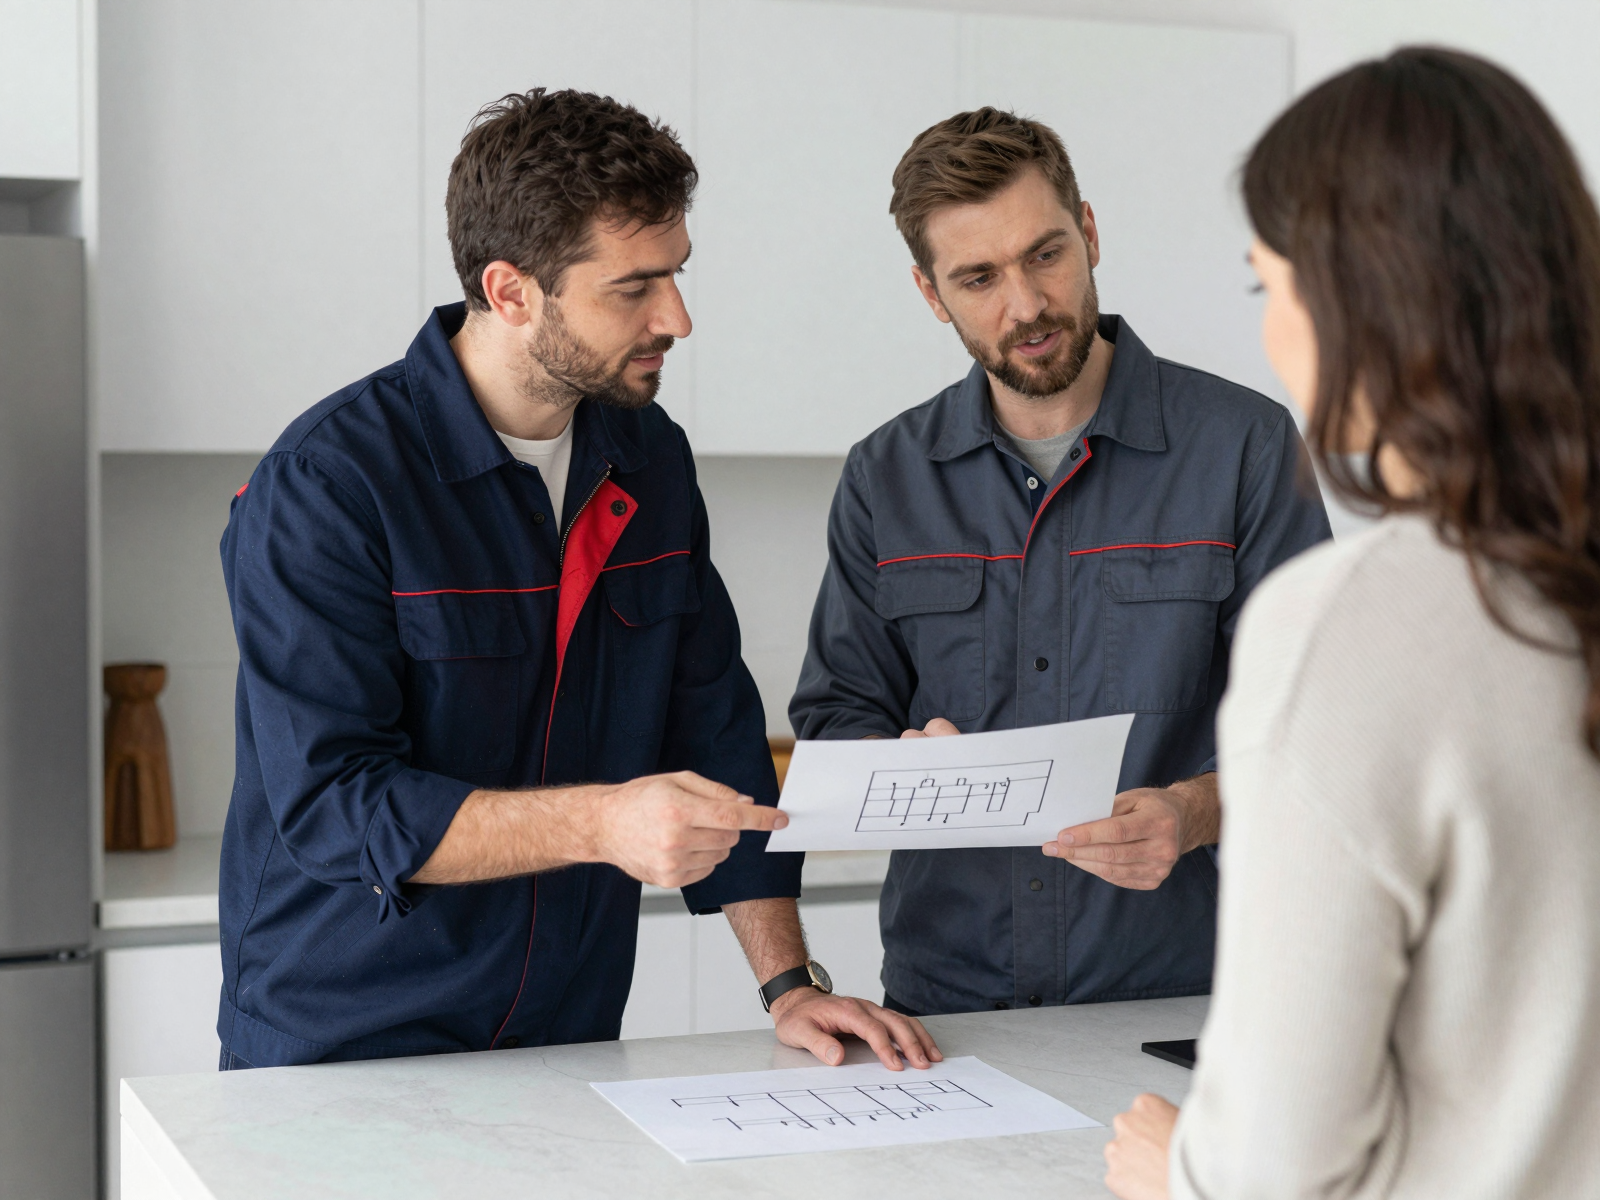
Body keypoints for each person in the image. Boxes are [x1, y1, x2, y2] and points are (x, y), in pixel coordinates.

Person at [216, 88, 939, 1072]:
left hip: (566, 1036)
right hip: (344, 1045)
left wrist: (787, 986)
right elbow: (334, 806)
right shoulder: (330, 486)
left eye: (676, 274)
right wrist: (602, 822)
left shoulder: (648, 458)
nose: (676, 317)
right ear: (511, 291)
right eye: (632, 287)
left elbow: (712, 730)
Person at [1105, 48, 1600, 1199]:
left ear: (1352, 300)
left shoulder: (1346, 625)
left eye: (1263, 285)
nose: (1270, 329)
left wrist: (1178, 1169)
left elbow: (1279, 1166)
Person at [789, 109, 1330, 1016]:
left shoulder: (1245, 447)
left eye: (1045, 254)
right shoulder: (885, 477)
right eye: (979, 277)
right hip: (946, 1006)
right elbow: (838, 715)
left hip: (1177, 996)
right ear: (932, 294)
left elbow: (1316, 731)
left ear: (1088, 231)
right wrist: (899, 764)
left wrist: (1193, 813)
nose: (1027, 305)